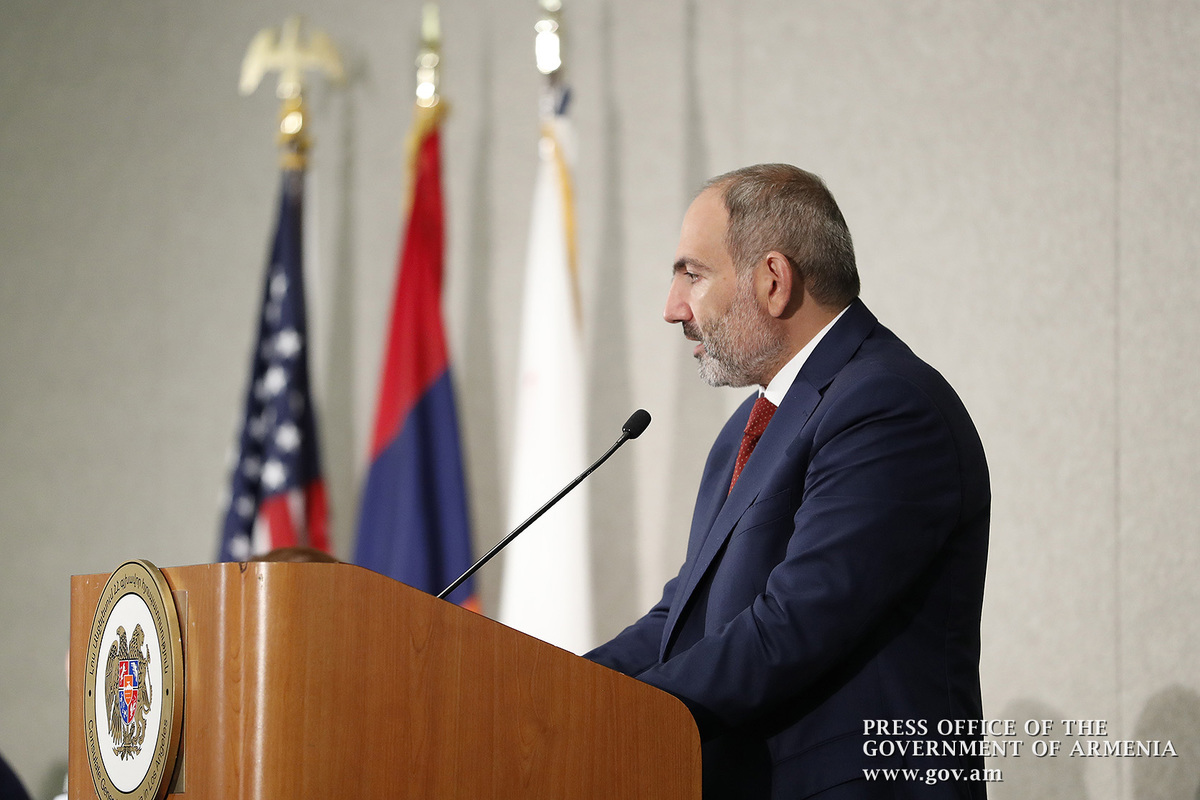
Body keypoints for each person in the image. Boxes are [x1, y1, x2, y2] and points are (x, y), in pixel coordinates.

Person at [586, 164, 990, 799]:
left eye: (692, 274)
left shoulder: (887, 405)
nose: (672, 309)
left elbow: (795, 622)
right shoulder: (747, 428)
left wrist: (608, 718)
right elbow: (684, 615)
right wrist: (552, 693)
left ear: (774, 281)